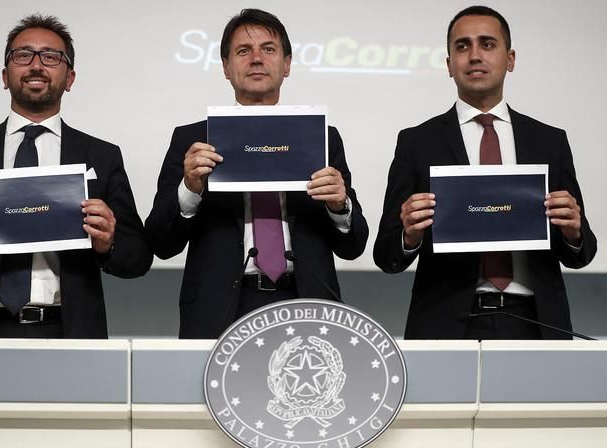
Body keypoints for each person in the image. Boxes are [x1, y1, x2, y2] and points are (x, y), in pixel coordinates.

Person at [0, 14, 152, 338]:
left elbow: (138, 258)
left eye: (51, 57)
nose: (36, 65)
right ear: (5, 75)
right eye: (23, 55)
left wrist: (108, 244)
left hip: (72, 333)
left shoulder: (101, 156)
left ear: (70, 78)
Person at [374, 6, 597, 340]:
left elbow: (582, 254)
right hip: (445, 325)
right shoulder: (416, 143)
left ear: (510, 59)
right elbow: (386, 256)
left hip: (536, 323)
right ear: (449, 64)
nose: (475, 55)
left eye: (487, 44)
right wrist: (408, 236)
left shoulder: (550, 141)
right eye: (462, 46)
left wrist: (573, 232)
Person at [146, 9, 368, 339]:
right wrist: (190, 189)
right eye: (243, 51)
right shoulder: (193, 141)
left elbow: (354, 245)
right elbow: (160, 243)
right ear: (225, 67)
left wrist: (339, 205)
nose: (256, 59)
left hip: (306, 303)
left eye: (268, 49)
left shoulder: (320, 138)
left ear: (287, 64)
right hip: (219, 311)